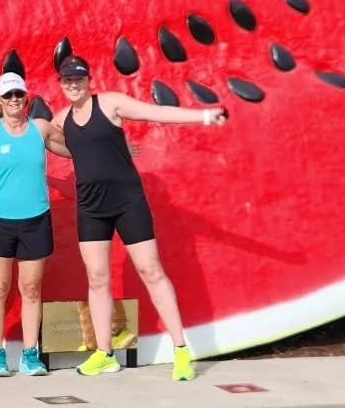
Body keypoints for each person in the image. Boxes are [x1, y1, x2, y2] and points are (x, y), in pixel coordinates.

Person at [52, 55, 227, 380]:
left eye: (78, 79)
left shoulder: (111, 103)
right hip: (90, 206)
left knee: (151, 271)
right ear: (61, 84)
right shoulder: (61, 118)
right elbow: (57, 144)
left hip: (127, 201)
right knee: (97, 279)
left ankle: (181, 350)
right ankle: (104, 353)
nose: (73, 85)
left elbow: (156, 113)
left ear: (88, 80)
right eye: (67, 80)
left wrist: (204, 115)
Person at [0, 72, 63, 377]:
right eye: (8, 96)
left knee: (31, 288)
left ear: (26, 98)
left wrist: (111, 143)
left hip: (36, 219)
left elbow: (77, 149)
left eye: (19, 94)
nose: (14, 100)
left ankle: (30, 355)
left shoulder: (41, 129)